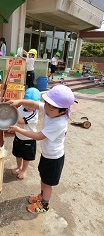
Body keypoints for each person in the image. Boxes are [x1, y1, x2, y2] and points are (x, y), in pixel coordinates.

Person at [8, 85, 75, 213]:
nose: (47, 109)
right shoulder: (51, 110)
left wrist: (18, 129)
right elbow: (34, 103)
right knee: (43, 177)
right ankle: (42, 197)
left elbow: (38, 136)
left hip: (54, 158)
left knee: (47, 182)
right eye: (47, 105)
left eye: (51, 108)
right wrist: (19, 101)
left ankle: (44, 204)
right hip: (47, 155)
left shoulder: (59, 123)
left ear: (63, 110)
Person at [11, 87, 41, 179]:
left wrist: (10, 115)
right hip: (18, 136)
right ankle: (18, 167)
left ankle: (24, 170)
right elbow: (16, 112)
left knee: (26, 157)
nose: (30, 107)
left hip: (28, 139)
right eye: (27, 104)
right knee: (18, 154)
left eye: (33, 105)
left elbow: (21, 122)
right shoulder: (21, 107)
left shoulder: (33, 114)